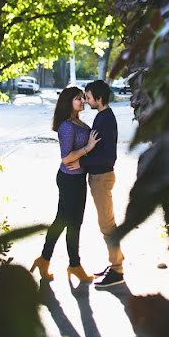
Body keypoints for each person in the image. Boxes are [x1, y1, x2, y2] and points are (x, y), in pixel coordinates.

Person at [31, 87, 100, 283]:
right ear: (68, 102)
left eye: (82, 98)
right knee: (64, 221)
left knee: (74, 222)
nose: (82, 101)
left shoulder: (78, 121)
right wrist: (88, 148)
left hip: (78, 179)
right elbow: (66, 158)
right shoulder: (67, 127)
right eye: (78, 99)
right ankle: (65, 263)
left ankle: (63, 263)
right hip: (69, 180)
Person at [67, 80, 124, 288]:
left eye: (89, 97)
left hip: (102, 178)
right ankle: (116, 263)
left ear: (99, 99)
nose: (86, 100)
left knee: (107, 225)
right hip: (99, 177)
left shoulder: (105, 119)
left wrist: (81, 161)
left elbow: (107, 156)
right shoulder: (103, 117)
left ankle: (117, 269)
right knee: (107, 224)